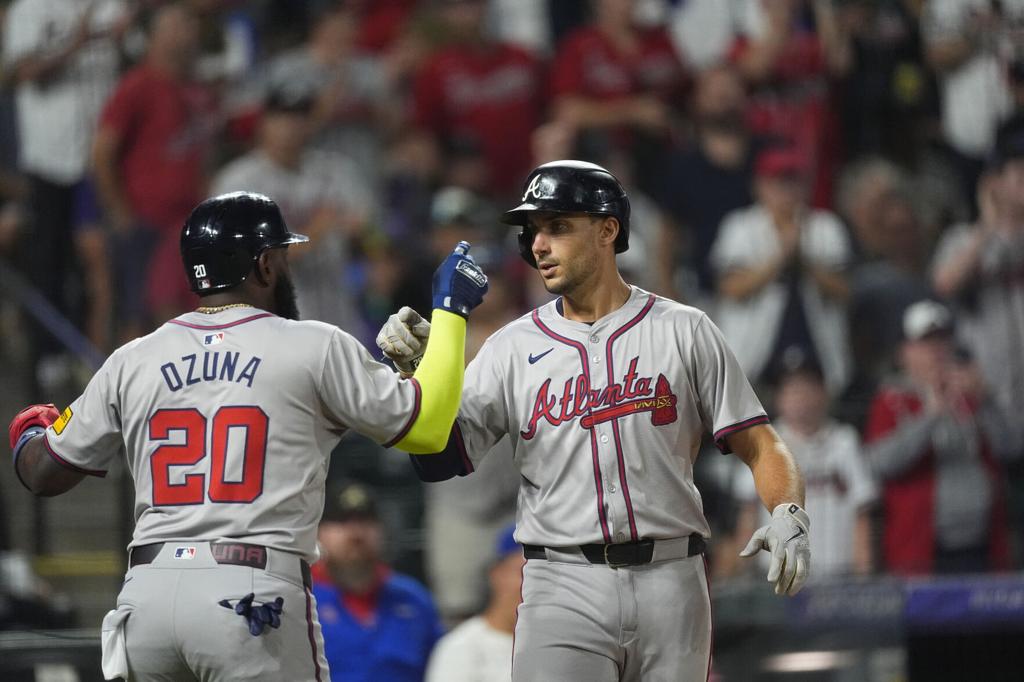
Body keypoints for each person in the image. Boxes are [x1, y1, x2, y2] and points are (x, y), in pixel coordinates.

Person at [7, 191, 487, 681]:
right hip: (250, 590)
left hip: (145, 599)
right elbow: (428, 431)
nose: (286, 268)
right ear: (263, 265)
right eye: (282, 256)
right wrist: (450, 312)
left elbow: (41, 471)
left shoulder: (133, 358)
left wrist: (30, 427)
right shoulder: (313, 345)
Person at [377, 160, 811, 681]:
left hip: (672, 577)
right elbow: (439, 459)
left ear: (608, 231)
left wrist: (787, 509)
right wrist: (419, 378)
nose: (539, 244)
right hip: (561, 581)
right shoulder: (511, 348)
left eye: (558, 226)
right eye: (534, 230)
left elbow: (759, 443)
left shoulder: (684, 330)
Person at [863, 299, 1020, 574]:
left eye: (942, 340)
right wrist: (930, 416)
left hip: (983, 546)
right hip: (921, 551)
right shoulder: (892, 399)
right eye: (926, 342)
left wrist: (986, 401)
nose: (936, 350)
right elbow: (880, 463)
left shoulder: (971, 396)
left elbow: (1010, 449)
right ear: (904, 351)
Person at [711, 146, 853, 396]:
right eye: (778, 182)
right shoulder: (740, 227)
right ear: (760, 186)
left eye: (793, 181)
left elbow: (844, 290)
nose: (787, 190)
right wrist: (779, 259)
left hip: (818, 360)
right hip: (754, 364)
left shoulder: (826, 227)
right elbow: (731, 289)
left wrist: (804, 260)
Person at [724, 351, 877, 580]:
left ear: (824, 392)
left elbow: (862, 515)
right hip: (778, 578)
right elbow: (748, 515)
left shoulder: (845, 442)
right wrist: (744, 574)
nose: (800, 397)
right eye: (791, 389)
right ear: (779, 397)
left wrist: (863, 575)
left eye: (807, 387)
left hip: (838, 576)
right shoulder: (761, 443)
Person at [313, 482, 444, 682]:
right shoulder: (303, 597)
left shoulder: (413, 599)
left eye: (366, 521)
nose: (356, 533)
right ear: (318, 533)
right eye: (341, 522)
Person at [425, 524, 524, 682]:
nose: (536, 586)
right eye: (525, 572)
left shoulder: (558, 643)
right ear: (497, 575)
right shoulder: (461, 648)